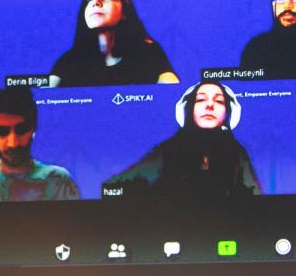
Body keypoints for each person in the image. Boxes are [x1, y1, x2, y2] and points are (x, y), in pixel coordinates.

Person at [106, 82, 261, 199]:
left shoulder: (237, 153)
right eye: (200, 100)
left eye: (219, 101)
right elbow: (116, 186)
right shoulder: (169, 150)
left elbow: (255, 197)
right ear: (189, 108)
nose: (209, 106)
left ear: (228, 112)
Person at [0, 87, 80, 203]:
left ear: (33, 130)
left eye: (21, 130)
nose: (13, 143)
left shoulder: (59, 181)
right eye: (2, 131)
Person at [48, 0, 178, 87]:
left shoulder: (149, 52)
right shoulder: (69, 61)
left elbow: (171, 89)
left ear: (125, 12)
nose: (95, 3)